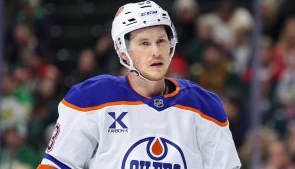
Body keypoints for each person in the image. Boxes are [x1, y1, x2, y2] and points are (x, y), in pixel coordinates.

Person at [37, 1, 241, 169]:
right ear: (123, 51)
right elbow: (56, 165)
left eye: (161, 41)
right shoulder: (90, 99)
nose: (156, 51)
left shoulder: (205, 106)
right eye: (144, 43)